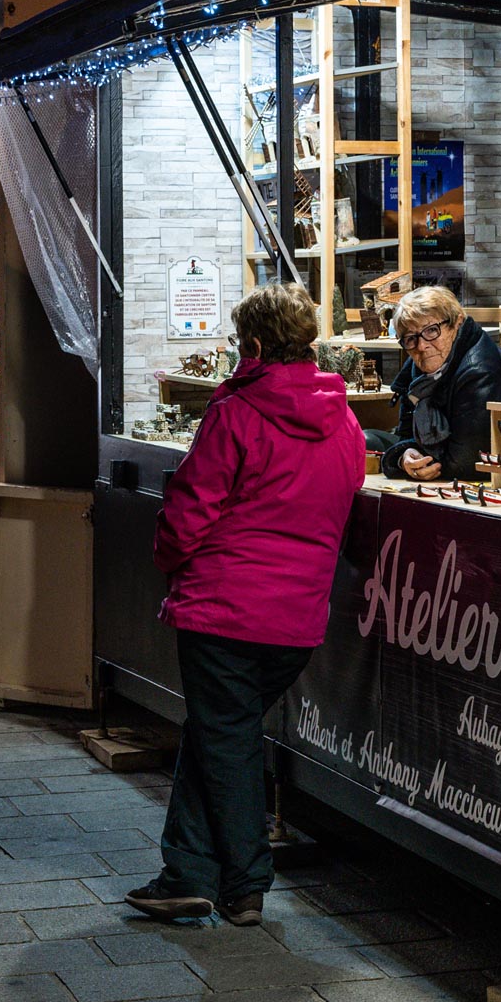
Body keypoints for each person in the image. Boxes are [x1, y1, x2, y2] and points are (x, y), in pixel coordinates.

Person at [127, 282, 367, 927]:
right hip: (297, 617)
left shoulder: (235, 411)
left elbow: (190, 508)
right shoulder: (344, 420)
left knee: (223, 738)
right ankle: (187, 875)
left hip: (226, 606)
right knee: (219, 734)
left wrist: (170, 560)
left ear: (254, 345)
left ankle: (243, 886)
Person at [369, 286, 501, 482]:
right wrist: (404, 457)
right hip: (450, 461)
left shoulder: (479, 370)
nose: (422, 346)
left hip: (496, 473)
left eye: (432, 331)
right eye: (410, 338)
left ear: (456, 323)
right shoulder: (418, 367)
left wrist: (404, 459)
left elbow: (466, 461)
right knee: (364, 439)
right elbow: (405, 433)